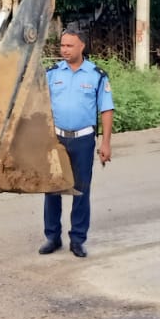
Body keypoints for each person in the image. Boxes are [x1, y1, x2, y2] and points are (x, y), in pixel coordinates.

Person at [39, 27, 114, 258]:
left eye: (69, 45)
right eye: (62, 45)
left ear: (82, 46)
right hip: (57, 138)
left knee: (81, 190)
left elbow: (106, 109)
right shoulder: (52, 73)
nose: (64, 50)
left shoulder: (96, 75)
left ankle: (78, 239)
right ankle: (52, 237)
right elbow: (39, 104)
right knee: (52, 188)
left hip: (83, 140)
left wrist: (106, 143)